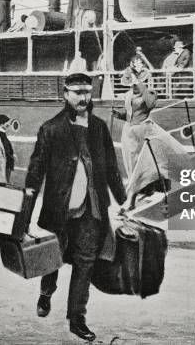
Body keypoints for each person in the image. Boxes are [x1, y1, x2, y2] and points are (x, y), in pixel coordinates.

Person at [25, 73, 126, 342]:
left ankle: (76, 318)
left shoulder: (100, 128)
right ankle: (46, 292)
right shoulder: (51, 129)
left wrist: (123, 201)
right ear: (65, 94)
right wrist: (25, 211)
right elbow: (35, 172)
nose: (83, 98)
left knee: (85, 263)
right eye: (77, 92)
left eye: (87, 92)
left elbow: (112, 169)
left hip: (92, 210)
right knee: (52, 259)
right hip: (59, 209)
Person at [114, 55, 158, 178]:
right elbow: (130, 113)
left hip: (143, 129)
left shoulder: (150, 92)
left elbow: (150, 104)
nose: (133, 86)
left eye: (135, 84)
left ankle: (145, 185)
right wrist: (119, 114)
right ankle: (134, 184)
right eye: (132, 84)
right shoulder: (128, 94)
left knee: (143, 159)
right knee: (129, 159)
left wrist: (139, 83)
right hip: (128, 130)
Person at [0, 114, 15, 181]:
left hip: (5, 164)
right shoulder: (0, 134)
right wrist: (11, 157)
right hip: (4, 165)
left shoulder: (1, 134)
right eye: (7, 123)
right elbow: (4, 150)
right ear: (2, 123)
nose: (9, 125)